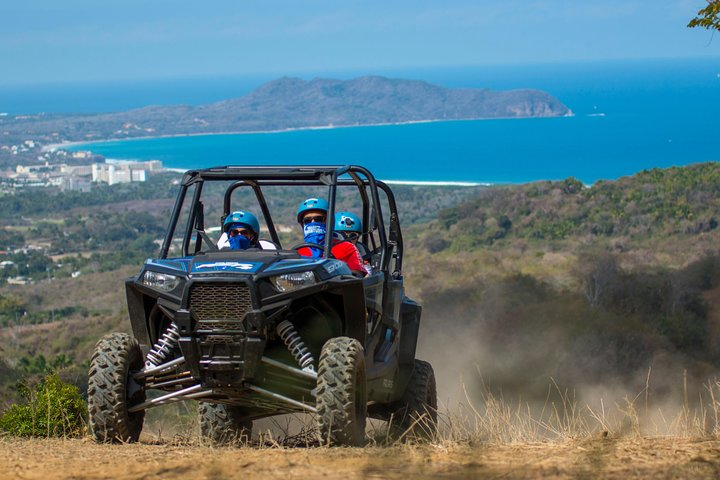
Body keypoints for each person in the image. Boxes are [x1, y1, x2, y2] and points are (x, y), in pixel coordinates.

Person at [296, 198, 366, 276]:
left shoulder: (346, 248)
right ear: (302, 225)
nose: (313, 223)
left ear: (329, 221)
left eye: (318, 219)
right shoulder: (298, 252)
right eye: (307, 221)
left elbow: (357, 275)